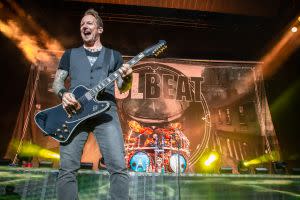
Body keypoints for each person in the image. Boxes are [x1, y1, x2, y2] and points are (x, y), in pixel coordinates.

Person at [52, 8, 132, 200]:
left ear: (99, 29)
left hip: (106, 112)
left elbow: (122, 88)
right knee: (67, 169)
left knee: (118, 167)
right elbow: (57, 82)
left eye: (89, 23)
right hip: (75, 112)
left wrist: (128, 78)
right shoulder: (70, 54)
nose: (84, 26)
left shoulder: (114, 56)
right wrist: (63, 94)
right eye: (81, 24)